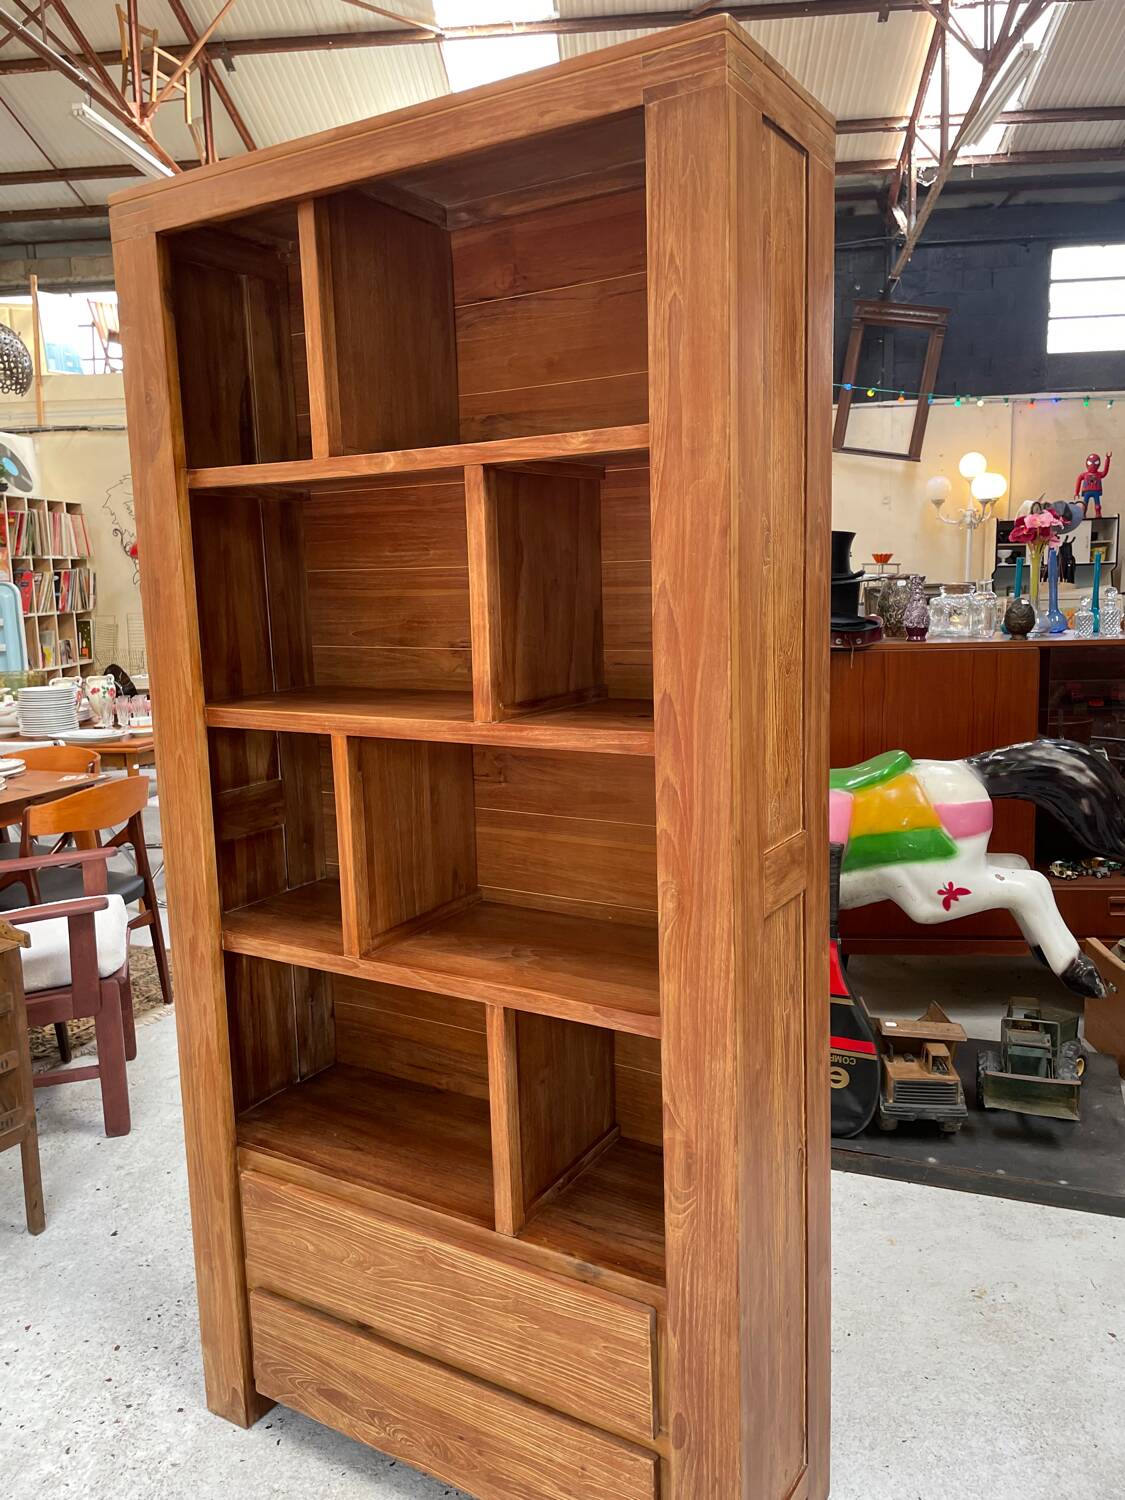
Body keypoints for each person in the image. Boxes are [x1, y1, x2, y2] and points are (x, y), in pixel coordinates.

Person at [1075, 452, 1111, 518]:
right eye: (1090, 463)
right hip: (1087, 491)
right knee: (1085, 504)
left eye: (1095, 463)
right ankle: (1083, 514)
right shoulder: (1084, 475)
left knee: (1097, 504)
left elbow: (1105, 472)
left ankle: (1098, 513)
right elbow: (1079, 480)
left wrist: (1108, 459)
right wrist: (1076, 492)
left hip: (1095, 491)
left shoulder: (1098, 474)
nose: (1093, 465)